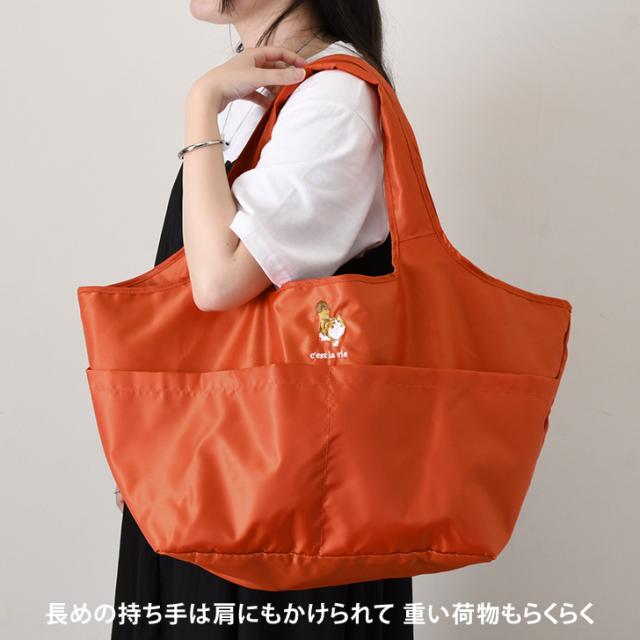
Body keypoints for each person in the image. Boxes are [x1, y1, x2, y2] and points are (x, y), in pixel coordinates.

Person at [111, 1, 414, 637]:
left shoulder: (331, 99)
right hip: (216, 475)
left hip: (281, 508)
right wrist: (152, 440)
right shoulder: (255, 92)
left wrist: (200, 107)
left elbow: (219, 280)